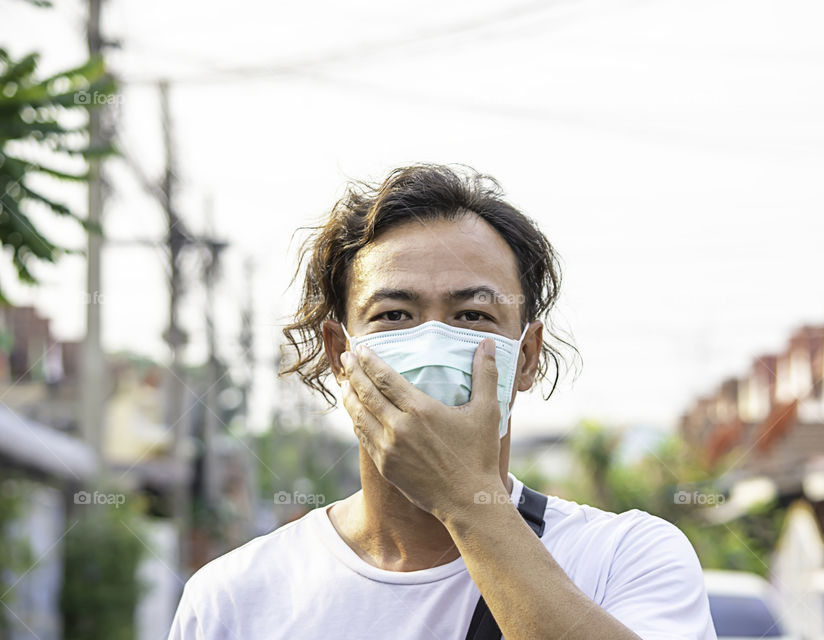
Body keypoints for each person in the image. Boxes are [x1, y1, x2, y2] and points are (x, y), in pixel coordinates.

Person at [167, 164, 718, 639]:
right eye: (394, 315)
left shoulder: (626, 559)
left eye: (472, 315)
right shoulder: (233, 598)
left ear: (525, 357)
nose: (431, 346)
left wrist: (464, 497)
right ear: (340, 354)